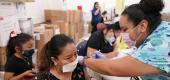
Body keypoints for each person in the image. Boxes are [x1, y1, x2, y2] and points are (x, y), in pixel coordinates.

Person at [81, 0, 170, 79]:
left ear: (142, 26)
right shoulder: (163, 29)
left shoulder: (161, 43)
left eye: (125, 29)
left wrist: (84, 60)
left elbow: (112, 69)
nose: (123, 35)